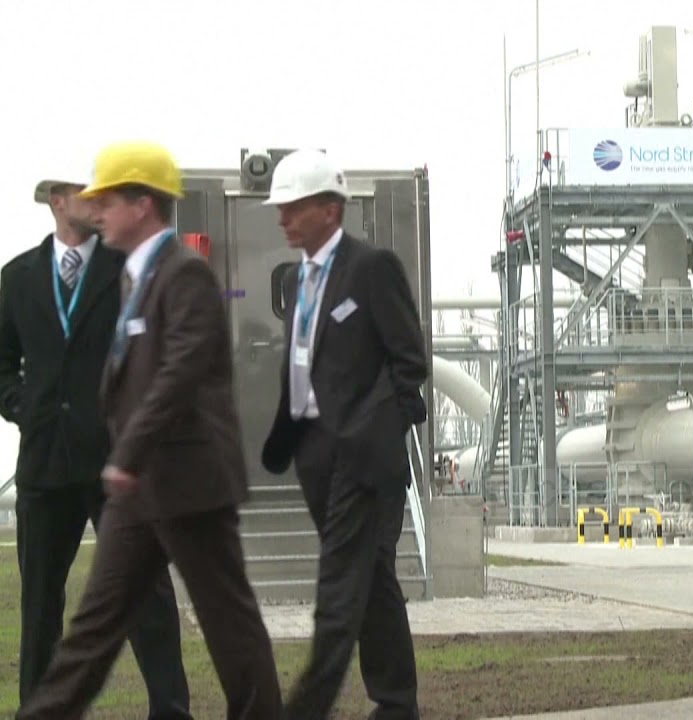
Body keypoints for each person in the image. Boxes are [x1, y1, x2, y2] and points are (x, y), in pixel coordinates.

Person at [16, 141, 283, 720]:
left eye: (107, 200)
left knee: (230, 627)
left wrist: (126, 452)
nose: (98, 210)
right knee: (93, 629)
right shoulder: (135, 277)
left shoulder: (183, 274)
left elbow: (179, 372)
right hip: (140, 489)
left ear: (142, 204)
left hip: (190, 483)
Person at [0, 169, 192, 718]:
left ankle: (171, 710)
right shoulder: (17, 277)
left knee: (146, 597)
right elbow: (3, 364)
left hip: (118, 463)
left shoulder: (129, 270)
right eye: (91, 194)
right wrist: (25, 408)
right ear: (59, 201)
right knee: (41, 603)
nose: (103, 203)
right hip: (45, 466)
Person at [260, 149, 428, 720]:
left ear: (330, 209)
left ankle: (304, 710)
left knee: (336, 591)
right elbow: (303, 361)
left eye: (293, 207)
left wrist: (375, 431)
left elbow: (409, 361)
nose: (282, 218)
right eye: (280, 207)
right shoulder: (295, 279)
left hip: (361, 455)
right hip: (313, 455)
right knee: (372, 579)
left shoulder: (371, 268)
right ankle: (397, 704)